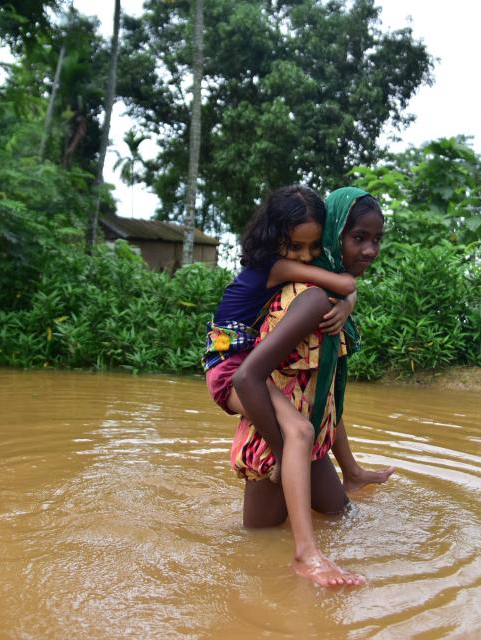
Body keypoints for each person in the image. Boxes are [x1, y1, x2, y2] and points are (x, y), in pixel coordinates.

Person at [231, 187, 394, 587]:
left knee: (343, 518)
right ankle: (302, 564)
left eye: (376, 240)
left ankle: (344, 484)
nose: (371, 250)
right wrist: (284, 449)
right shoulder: (310, 299)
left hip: (311, 438)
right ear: (334, 236)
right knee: (256, 554)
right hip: (279, 447)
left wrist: (349, 468)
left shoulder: (328, 297)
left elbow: (321, 386)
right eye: (358, 238)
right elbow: (248, 377)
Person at [203, 185, 359, 481]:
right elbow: (346, 284)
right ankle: (281, 458)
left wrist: (346, 304)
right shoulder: (277, 266)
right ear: (274, 238)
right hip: (227, 368)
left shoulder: (281, 264)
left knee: (316, 402)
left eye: (314, 246)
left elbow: (343, 287)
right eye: (295, 246)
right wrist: (348, 303)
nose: (305, 256)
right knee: (294, 432)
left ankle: (341, 471)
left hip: (241, 360)